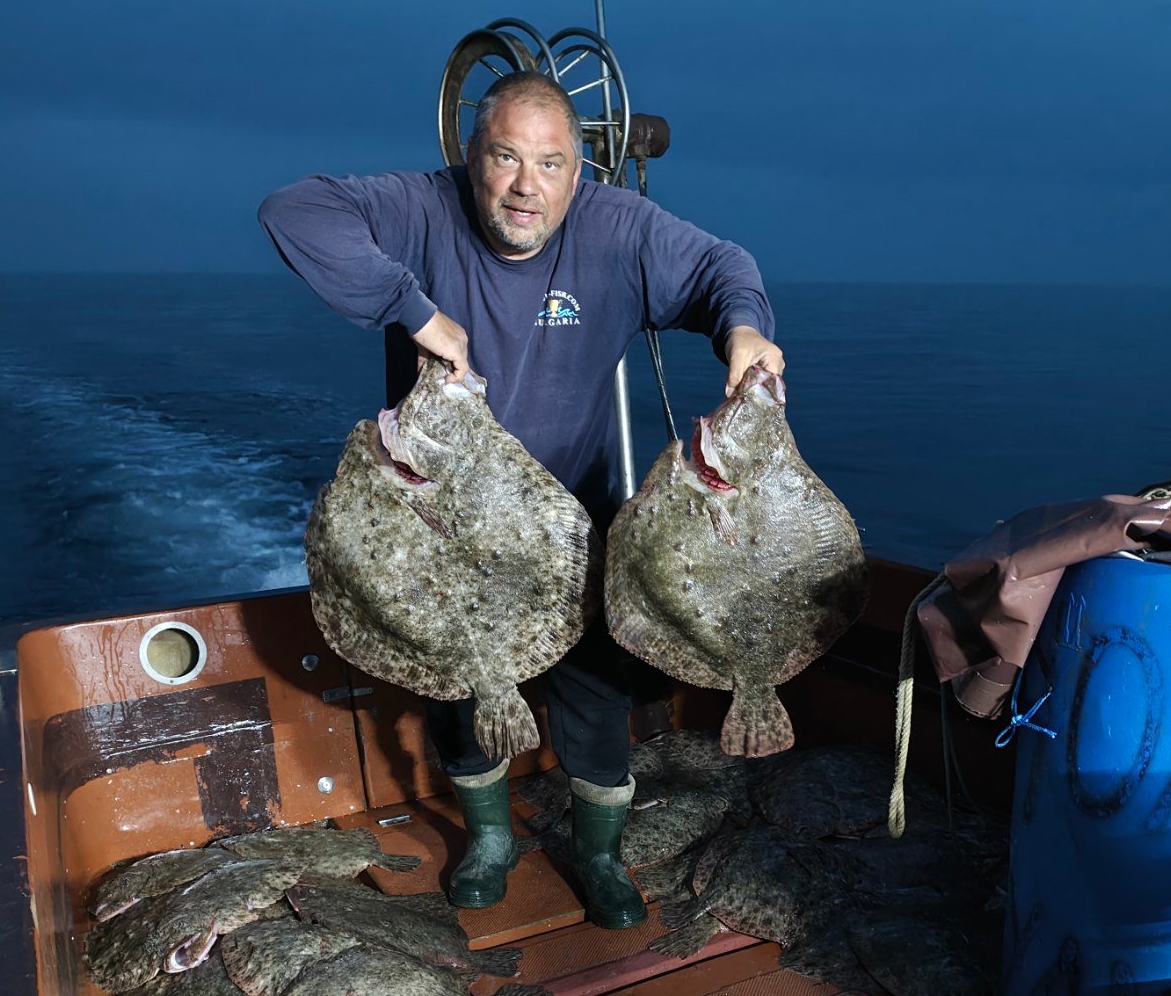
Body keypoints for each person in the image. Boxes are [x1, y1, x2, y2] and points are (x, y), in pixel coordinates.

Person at [260, 71, 783, 929]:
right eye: (505, 157)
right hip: (443, 531)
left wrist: (746, 326)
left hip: (572, 523)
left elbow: (725, 267)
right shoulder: (421, 208)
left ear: (580, 174)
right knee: (462, 692)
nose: (525, 186)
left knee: (598, 697)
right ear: (472, 158)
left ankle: (602, 854)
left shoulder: (619, 230)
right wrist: (414, 311)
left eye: (550, 164)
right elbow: (292, 209)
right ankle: (492, 840)